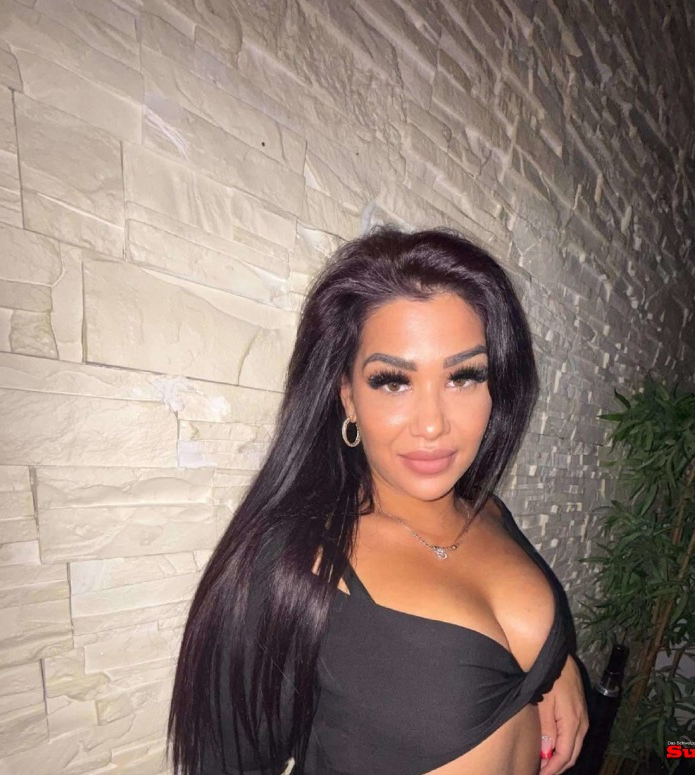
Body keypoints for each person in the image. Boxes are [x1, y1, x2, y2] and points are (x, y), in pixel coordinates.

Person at [168, 227, 588, 775]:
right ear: (347, 396)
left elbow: (516, 632)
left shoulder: (488, 511)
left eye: (463, 377)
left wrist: (555, 668)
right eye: (393, 382)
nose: (433, 424)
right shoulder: (285, 567)